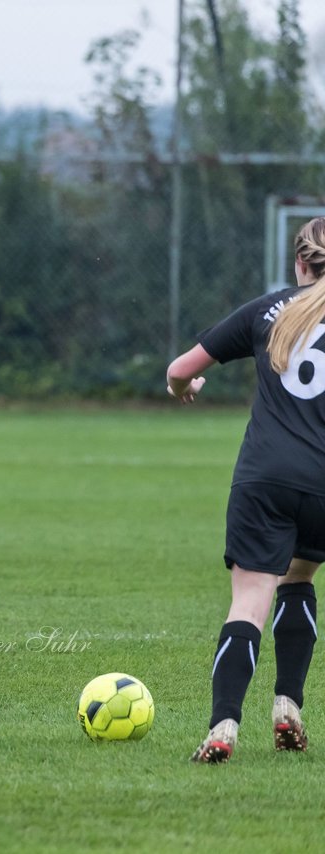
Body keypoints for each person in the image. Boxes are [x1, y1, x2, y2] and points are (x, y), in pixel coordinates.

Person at [167, 216, 325, 763]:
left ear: (300, 263)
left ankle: (223, 727)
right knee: (300, 577)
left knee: (250, 599)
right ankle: (287, 706)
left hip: (264, 477)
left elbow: (179, 369)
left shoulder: (268, 310)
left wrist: (188, 385)